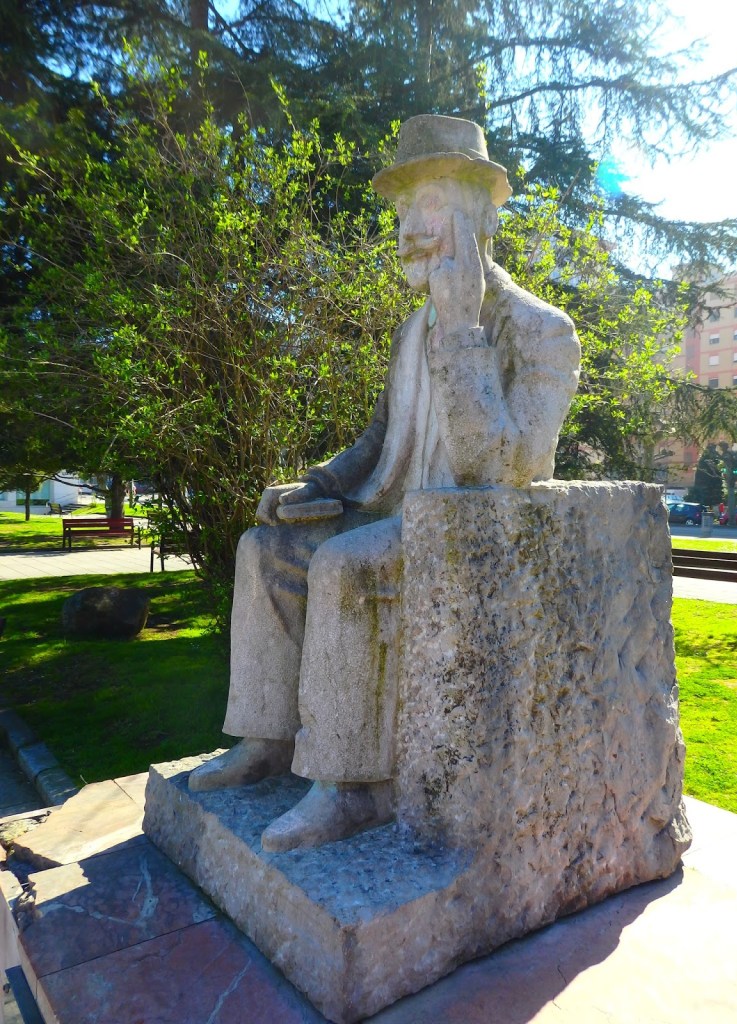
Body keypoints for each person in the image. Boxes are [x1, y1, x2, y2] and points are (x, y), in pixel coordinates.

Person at [189, 115, 581, 852]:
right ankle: (267, 740)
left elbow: (504, 466)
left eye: (427, 206)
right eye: (402, 213)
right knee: (264, 551)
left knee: (344, 568)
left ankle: (351, 788)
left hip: (467, 533)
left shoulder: (540, 331)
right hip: (391, 513)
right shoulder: (411, 328)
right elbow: (379, 440)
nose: (407, 231)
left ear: (480, 218)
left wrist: (462, 331)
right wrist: (316, 484)